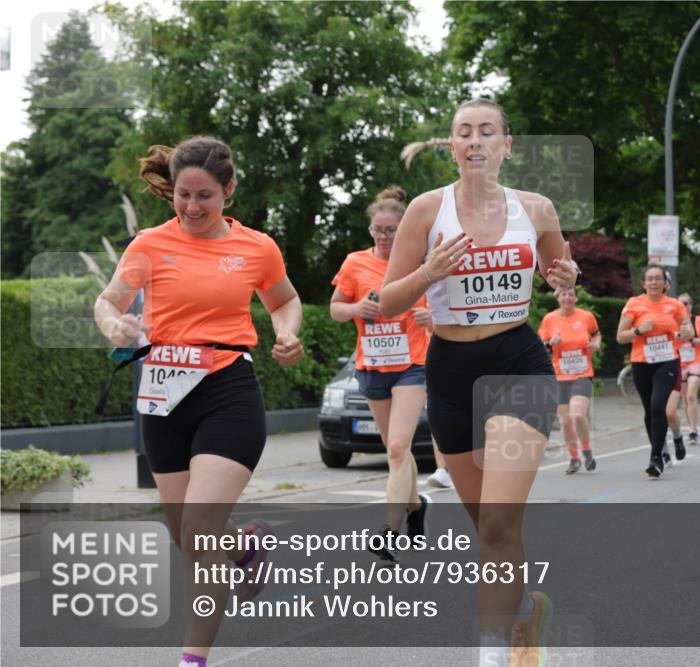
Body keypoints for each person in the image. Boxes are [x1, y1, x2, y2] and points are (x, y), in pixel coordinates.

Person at [93, 137, 305, 667]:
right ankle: (244, 549)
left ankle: (192, 659)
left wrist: (288, 332)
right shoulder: (149, 244)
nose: (191, 207)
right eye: (182, 195)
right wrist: (114, 322)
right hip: (163, 396)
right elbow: (108, 300)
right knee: (187, 536)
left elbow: (284, 299)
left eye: (204, 196)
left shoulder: (256, 247)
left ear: (228, 191)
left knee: (200, 529)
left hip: (227, 389)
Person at [381, 99, 577, 667]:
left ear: (506, 146)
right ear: (452, 145)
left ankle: (490, 657)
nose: (475, 141)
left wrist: (567, 275)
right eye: (463, 133)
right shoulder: (425, 210)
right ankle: (524, 625)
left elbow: (562, 275)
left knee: (497, 521)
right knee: (491, 531)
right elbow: (388, 302)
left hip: (518, 363)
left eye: (487, 132)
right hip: (450, 372)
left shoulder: (536, 209)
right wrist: (428, 273)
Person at [329, 186, 431, 561]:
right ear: (370, 229)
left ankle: (389, 531)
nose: (384, 237)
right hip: (371, 367)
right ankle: (417, 507)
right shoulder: (355, 263)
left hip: (412, 366)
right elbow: (335, 309)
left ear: (404, 228)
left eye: (391, 230)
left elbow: (449, 311)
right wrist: (357, 307)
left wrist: (431, 320)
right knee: (397, 452)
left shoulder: (421, 264)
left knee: (399, 447)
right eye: (378, 230)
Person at [616, 266, 693, 477]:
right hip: (641, 361)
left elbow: (688, 331)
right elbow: (621, 336)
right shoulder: (634, 304)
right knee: (650, 411)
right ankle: (664, 448)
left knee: (658, 405)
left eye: (658, 279)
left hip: (667, 360)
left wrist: (686, 332)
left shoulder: (675, 305)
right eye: (650, 279)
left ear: (665, 283)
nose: (654, 282)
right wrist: (640, 329)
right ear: (644, 283)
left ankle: (656, 457)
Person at [538, 286, 601, 473]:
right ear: (558, 298)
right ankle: (574, 458)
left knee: (578, 415)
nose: (567, 298)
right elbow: (541, 346)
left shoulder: (586, 317)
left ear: (575, 298)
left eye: (571, 295)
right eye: (564, 294)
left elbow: (596, 333)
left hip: (582, 373)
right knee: (565, 421)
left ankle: (587, 451)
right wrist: (551, 343)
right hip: (559, 375)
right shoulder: (549, 319)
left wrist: (595, 344)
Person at [675, 293, 700, 445]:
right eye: (681, 303)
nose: (684, 306)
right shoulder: (672, 320)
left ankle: (693, 430)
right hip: (680, 361)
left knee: (691, 395)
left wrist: (697, 340)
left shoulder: (698, 320)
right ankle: (691, 427)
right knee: (685, 398)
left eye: (686, 303)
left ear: (691, 305)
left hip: (696, 360)